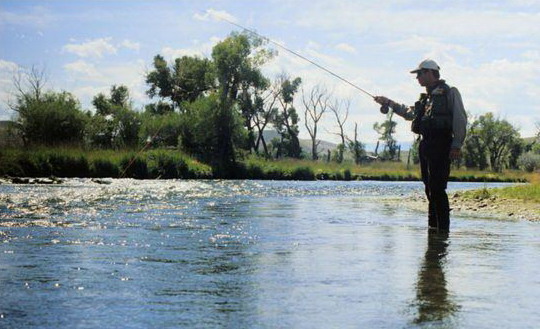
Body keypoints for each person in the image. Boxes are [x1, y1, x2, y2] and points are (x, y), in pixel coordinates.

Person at [374, 59, 467, 232]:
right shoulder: (426, 99)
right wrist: (389, 103)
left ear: (430, 73)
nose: (417, 78)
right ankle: (434, 233)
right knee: (428, 188)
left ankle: (443, 232)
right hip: (426, 145)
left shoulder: (450, 92)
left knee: (438, 188)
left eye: (419, 74)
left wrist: (456, 145)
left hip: (442, 143)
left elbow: (460, 119)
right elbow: (409, 114)